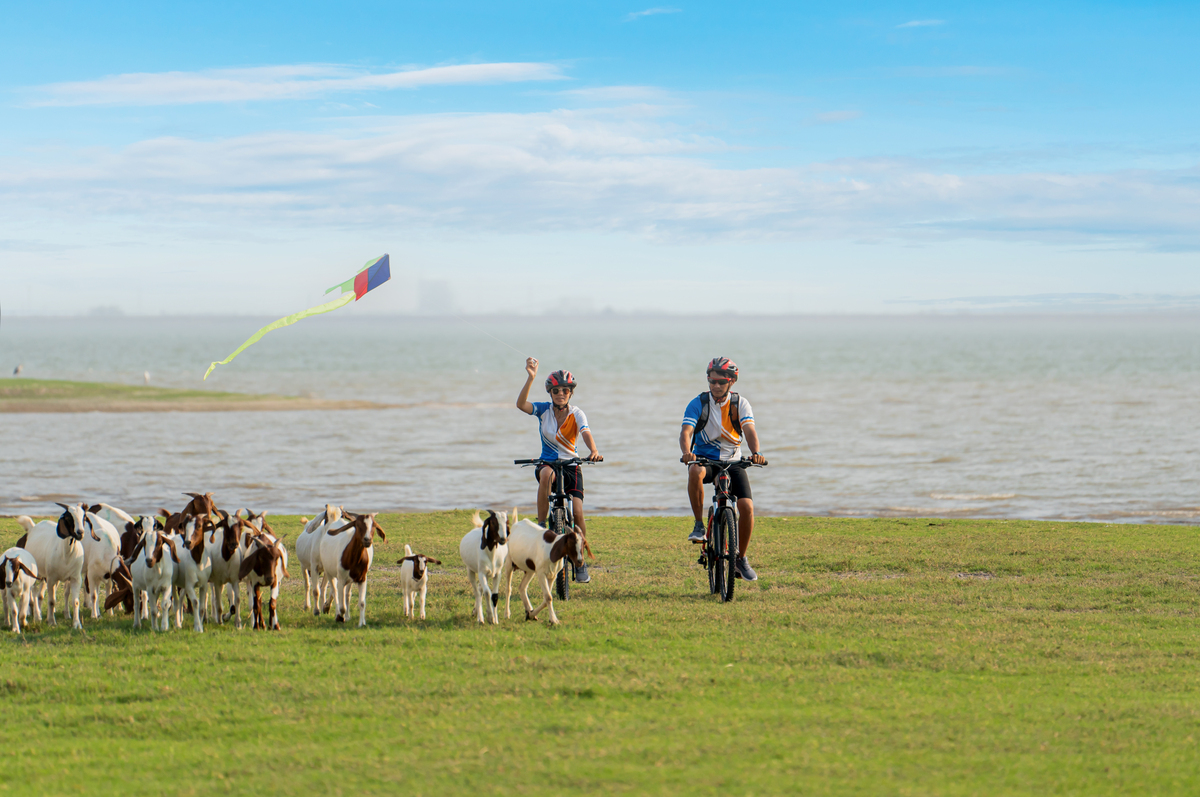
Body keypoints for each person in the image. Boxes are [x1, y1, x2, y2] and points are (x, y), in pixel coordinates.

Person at [516, 357, 603, 582]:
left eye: (565, 390)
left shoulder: (576, 413)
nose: (560, 394)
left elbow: (585, 432)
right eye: (556, 390)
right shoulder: (543, 410)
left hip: (571, 466)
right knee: (545, 473)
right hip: (548, 464)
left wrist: (593, 450)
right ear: (550, 393)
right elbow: (521, 405)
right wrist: (530, 378)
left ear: (570, 393)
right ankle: (542, 524)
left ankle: (581, 561)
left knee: (578, 512)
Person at [679, 357, 766, 581]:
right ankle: (699, 525)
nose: (716, 386)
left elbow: (749, 431)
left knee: (746, 508)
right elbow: (686, 432)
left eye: (721, 382)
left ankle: (741, 559)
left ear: (732, 382)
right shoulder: (698, 403)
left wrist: (756, 452)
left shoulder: (740, 404)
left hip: (733, 462)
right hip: (706, 461)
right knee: (694, 471)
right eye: (712, 381)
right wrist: (687, 452)